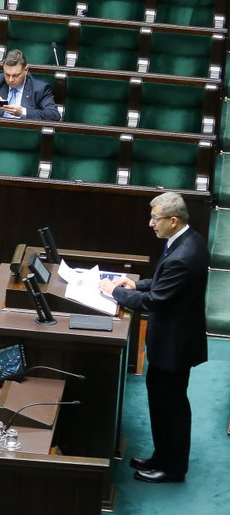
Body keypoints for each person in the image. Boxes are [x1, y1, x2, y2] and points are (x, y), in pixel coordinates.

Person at [98, 192, 208, 484]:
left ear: (173, 220)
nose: (151, 224)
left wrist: (116, 292)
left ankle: (173, 468)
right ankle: (163, 455)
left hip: (174, 345)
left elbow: (155, 301)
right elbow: (164, 283)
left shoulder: (183, 255)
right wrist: (136, 283)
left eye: (156, 219)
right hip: (172, 341)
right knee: (162, 402)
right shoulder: (186, 240)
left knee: (170, 405)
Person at [0, 49, 60, 121]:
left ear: (26, 70)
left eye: (16, 75)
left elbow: (54, 115)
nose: (10, 80)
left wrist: (23, 112)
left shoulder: (40, 88)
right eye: (7, 74)